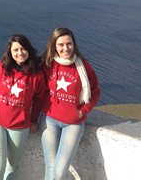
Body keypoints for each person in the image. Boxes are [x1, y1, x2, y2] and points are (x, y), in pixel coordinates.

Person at [0, 34, 46, 180]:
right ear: (10, 52)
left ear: (29, 50)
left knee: (13, 166)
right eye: (15, 50)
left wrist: (34, 120)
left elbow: (39, 99)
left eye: (23, 49)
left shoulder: (36, 75)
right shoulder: (0, 68)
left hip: (19, 125)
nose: (20, 53)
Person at [39, 27, 101, 180]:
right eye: (61, 44)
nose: (65, 48)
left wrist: (82, 111)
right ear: (54, 46)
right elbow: (31, 81)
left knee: (60, 173)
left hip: (73, 123)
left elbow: (95, 92)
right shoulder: (47, 65)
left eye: (69, 44)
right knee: (51, 171)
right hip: (49, 120)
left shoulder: (83, 67)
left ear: (74, 45)